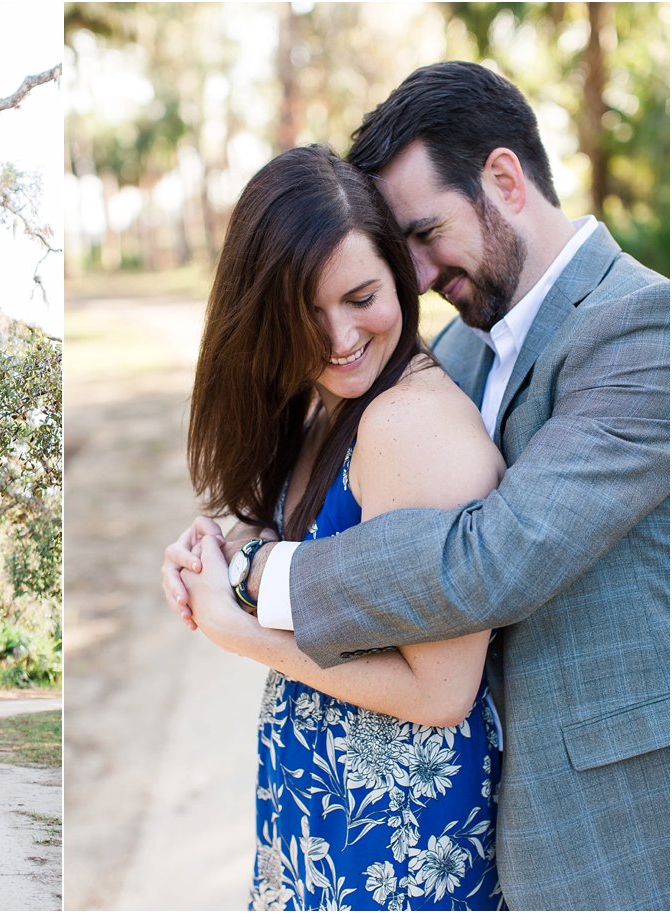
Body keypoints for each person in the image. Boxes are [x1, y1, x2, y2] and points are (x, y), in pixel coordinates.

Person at [164, 62, 669, 911]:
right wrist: (235, 545)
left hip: (599, 821)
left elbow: (495, 559)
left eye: (427, 233)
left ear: (503, 179)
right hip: (466, 816)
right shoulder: (464, 349)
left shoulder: (643, 331)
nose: (423, 274)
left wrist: (261, 585)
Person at [176, 143, 506, 910]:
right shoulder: (344, 397)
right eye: (305, 314)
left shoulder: (410, 425)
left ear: (398, 270)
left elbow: (442, 692)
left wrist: (235, 629)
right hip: (328, 817)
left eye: (361, 296)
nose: (338, 338)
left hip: (397, 843)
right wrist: (224, 554)